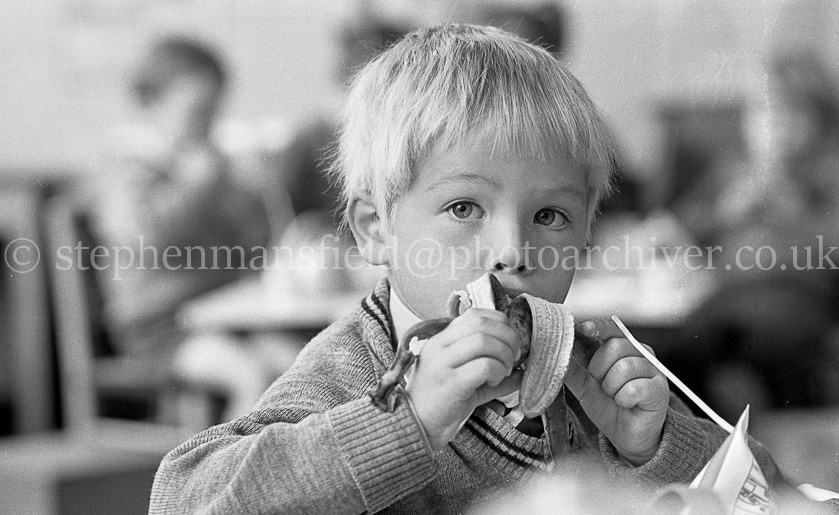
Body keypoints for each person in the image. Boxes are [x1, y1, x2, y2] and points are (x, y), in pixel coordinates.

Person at [149, 25, 788, 514]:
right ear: (376, 229)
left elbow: (777, 493)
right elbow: (181, 498)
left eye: (550, 216)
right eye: (463, 208)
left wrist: (655, 448)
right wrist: (410, 423)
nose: (511, 250)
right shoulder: (360, 372)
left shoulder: (591, 380)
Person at [90, 36, 273, 420]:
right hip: (158, 331)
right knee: (251, 374)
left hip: (222, 317)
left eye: (215, 113)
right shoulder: (129, 169)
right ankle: (214, 477)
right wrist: (198, 185)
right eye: (197, 112)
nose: (208, 127)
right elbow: (150, 237)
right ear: (152, 106)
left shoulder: (211, 172)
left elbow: (254, 246)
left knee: (295, 362)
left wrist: (248, 196)